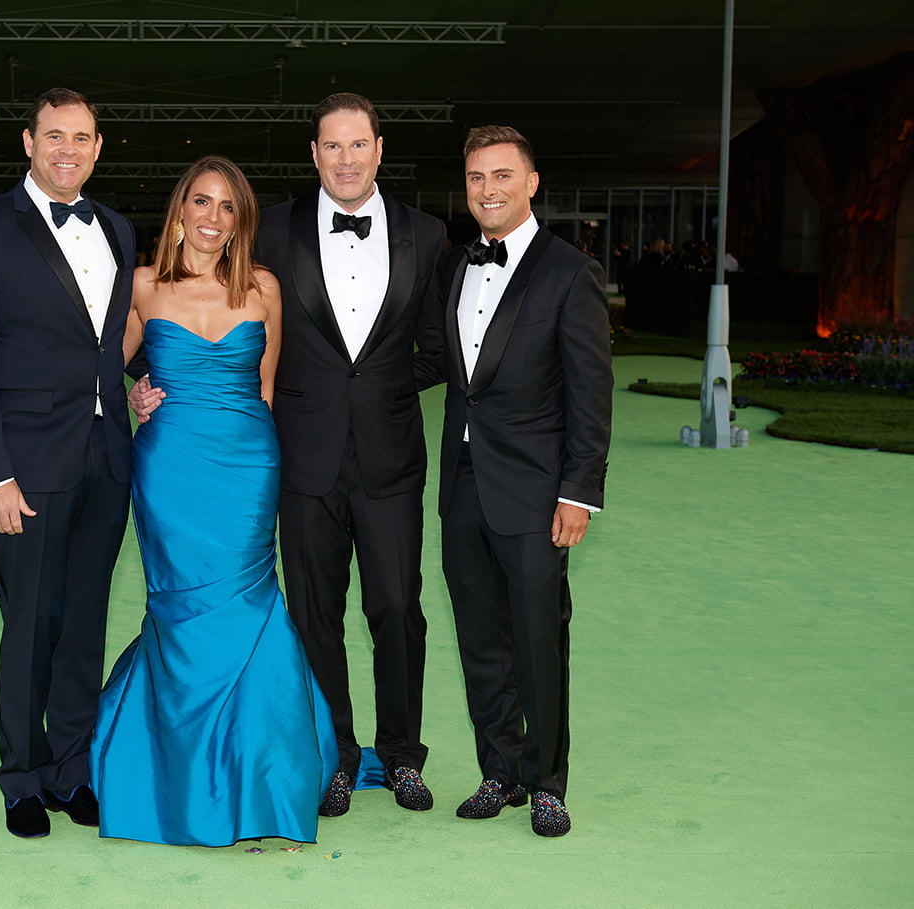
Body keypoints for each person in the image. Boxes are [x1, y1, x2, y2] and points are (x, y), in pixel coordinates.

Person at [134, 93, 449, 817]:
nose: (345, 159)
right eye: (331, 147)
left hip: (391, 452)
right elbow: (184, 316)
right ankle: (333, 755)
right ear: (314, 154)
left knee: (398, 607)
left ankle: (401, 754)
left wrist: (379, 387)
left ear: (379, 148)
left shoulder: (428, 234)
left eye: (358, 145)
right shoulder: (268, 228)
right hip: (297, 456)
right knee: (312, 613)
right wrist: (147, 388)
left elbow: (439, 346)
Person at [90, 156, 336, 847]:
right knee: (182, 611)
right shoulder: (140, 286)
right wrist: (133, 392)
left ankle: (263, 774)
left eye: (228, 207)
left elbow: (265, 387)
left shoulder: (263, 288)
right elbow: (101, 372)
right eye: (201, 201)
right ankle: (179, 772)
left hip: (247, 465)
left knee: (251, 603)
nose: (212, 217)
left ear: (240, 222)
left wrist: (263, 463)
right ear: (178, 210)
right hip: (170, 470)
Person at [0, 87, 136, 840]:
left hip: (103, 458)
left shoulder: (115, 227)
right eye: (53, 135)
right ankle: (21, 779)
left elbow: (108, 340)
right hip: (22, 466)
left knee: (84, 623)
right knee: (30, 624)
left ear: (97, 146)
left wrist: (139, 388)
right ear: (28, 141)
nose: (67, 149)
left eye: (81, 137)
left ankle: (70, 769)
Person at [434, 125, 612, 838]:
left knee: (539, 637)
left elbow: (590, 392)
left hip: (538, 490)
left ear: (532, 182)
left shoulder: (570, 270)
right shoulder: (456, 264)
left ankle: (547, 781)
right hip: (464, 483)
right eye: (476, 177)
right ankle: (500, 770)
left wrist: (579, 490)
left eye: (502, 175)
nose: (488, 190)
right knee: (479, 636)